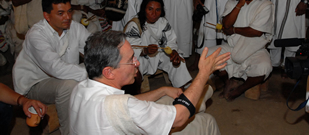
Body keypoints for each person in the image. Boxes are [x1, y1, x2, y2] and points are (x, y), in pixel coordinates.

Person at [70, 30, 230, 134]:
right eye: (130, 60)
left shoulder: (81, 88)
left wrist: (162, 90)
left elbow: (127, 105)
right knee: (206, 121)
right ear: (109, 72)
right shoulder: (121, 106)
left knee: (169, 98)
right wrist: (203, 73)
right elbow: (179, 117)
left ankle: (204, 93)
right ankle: (206, 89)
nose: (137, 63)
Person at [12, 0, 90, 135]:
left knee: (101, 66)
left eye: (69, 11)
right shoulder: (36, 35)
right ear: (47, 16)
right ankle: (69, 132)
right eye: (60, 13)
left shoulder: (75, 27)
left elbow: (93, 50)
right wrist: (94, 74)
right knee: (69, 85)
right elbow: (56, 69)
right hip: (36, 84)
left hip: (61, 77)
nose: (67, 17)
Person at [207, 0, 273, 101]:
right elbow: (226, 25)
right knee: (209, 55)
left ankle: (239, 90)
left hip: (255, 50)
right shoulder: (232, 3)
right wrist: (239, 4)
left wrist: (234, 30)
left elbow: (256, 32)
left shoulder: (265, 5)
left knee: (265, 67)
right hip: (233, 48)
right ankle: (228, 82)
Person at [124, 0, 192, 88]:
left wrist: (173, 52)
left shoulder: (162, 22)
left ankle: (182, 93)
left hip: (160, 54)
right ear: (144, 9)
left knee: (178, 61)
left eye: (158, 10)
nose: (154, 14)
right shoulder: (134, 25)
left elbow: (171, 40)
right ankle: (136, 95)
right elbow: (130, 48)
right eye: (150, 9)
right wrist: (145, 51)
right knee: (134, 69)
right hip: (142, 58)